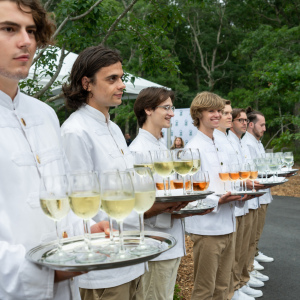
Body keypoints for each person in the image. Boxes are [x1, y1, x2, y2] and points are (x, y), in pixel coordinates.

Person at [0, 1, 109, 299]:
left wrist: (87, 230)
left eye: (32, 31)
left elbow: (59, 200)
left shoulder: (45, 115)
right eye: (9, 29)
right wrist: (47, 273)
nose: (26, 41)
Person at [61, 45, 148, 300]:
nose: (121, 84)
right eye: (112, 79)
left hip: (132, 253)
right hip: (103, 266)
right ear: (86, 83)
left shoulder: (116, 129)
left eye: (121, 78)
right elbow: (81, 205)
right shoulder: (75, 131)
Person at [130, 87, 213, 300]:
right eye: (166, 108)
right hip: (155, 244)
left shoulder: (161, 146)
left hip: (171, 241)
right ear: (148, 109)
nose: (172, 113)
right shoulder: (138, 151)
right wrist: (173, 207)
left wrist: (184, 206)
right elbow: (141, 205)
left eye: (172, 107)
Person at [185, 92, 247, 300]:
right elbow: (189, 190)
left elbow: (227, 181)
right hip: (207, 228)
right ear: (198, 114)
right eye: (211, 110)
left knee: (223, 287)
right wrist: (217, 200)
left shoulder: (221, 144)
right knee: (204, 289)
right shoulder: (192, 148)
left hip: (229, 223)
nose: (217, 115)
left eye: (219, 111)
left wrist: (242, 190)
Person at [227, 108, 267, 299]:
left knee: (247, 243)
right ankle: (236, 285)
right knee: (238, 248)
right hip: (238, 200)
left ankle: (242, 279)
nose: (243, 122)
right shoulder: (234, 143)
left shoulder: (240, 143)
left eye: (245, 119)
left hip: (250, 197)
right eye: (239, 119)